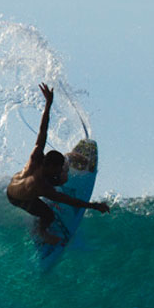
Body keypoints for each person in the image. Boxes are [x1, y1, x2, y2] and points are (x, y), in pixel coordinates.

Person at [7, 83, 109, 244]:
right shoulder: (42, 186)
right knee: (49, 214)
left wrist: (48, 104)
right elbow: (69, 200)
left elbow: (43, 130)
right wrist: (94, 206)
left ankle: (68, 157)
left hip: (16, 181)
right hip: (18, 198)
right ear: (50, 166)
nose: (59, 169)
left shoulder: (36, 155)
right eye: (59, 168)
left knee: (60, 178)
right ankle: (41, 232)